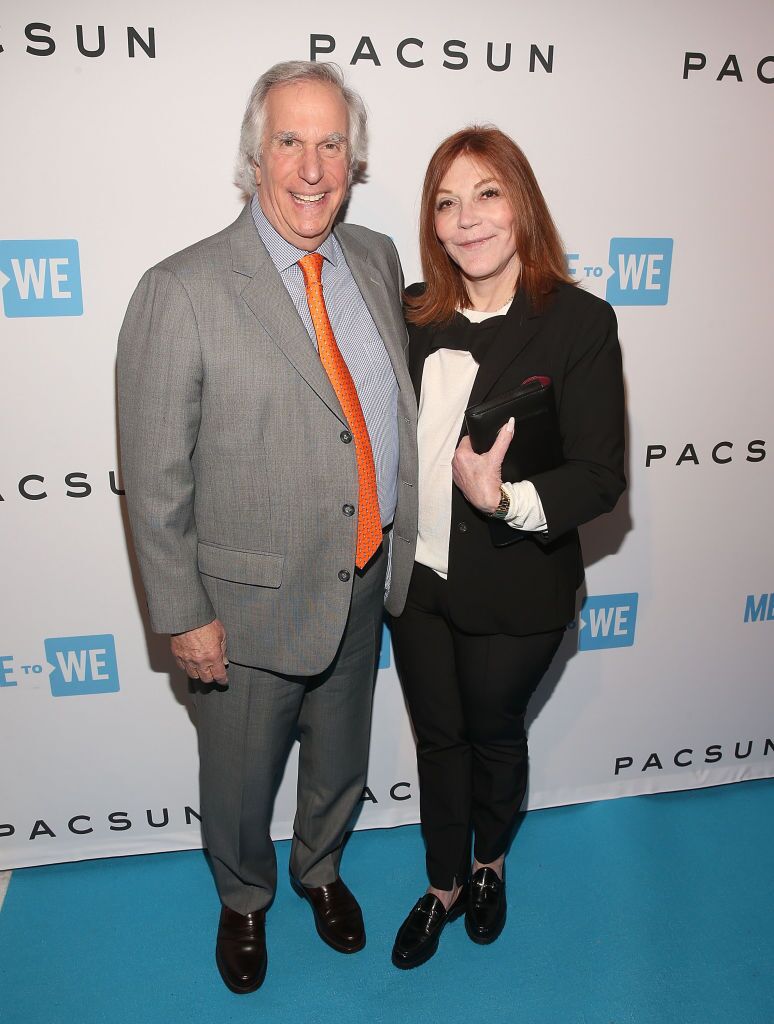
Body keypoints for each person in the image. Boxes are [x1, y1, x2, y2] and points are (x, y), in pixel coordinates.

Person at [116, 60, 418, 994]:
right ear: (255, 154)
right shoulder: (184, 289)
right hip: (243, 612)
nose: (313, 166)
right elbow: (156, 477)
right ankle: (244, 898)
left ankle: (319, 871)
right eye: (291, 140)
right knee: (241, 782)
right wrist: (183, 611)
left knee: (342, 761)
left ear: (354, 158)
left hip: (361, 574)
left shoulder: (373, 258)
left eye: (332, 142)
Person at [389, 126, 626, 969]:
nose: (465, 218)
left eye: (486, 193)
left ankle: (488, 866)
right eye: (446, 201)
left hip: (519, 585)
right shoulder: (413, 315)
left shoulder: (579, 322)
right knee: (438, 737)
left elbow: (600, 475)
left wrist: (507, 498)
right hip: (416, 582)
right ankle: (441, 881)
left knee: (492, 732)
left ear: (521, 202)